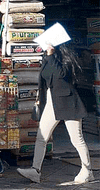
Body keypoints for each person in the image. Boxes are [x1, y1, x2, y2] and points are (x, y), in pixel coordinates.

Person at [17, 42, 93, 184]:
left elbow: (61, 76)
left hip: (68, 102)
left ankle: (87, 170)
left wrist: (51, 56)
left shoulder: (67, 59)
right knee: (41, 137)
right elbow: (45, 78)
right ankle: (35, 170)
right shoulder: (48, 58)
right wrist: (48, 56)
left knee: (76, 139)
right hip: (52, 103)